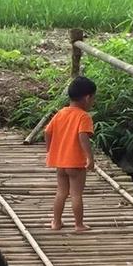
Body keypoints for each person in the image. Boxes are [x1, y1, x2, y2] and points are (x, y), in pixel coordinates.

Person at [45, 76, 97, 232]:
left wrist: (50, 151)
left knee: (61, 192)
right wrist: (90, 157)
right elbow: (83, 137)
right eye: (93, 98)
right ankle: (79, 224)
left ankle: (56, 222)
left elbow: (47, 132)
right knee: (76, 194)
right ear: (87, 98)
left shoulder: (60, 113)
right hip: (75, 162)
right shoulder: (83, 116)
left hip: (60, 162)